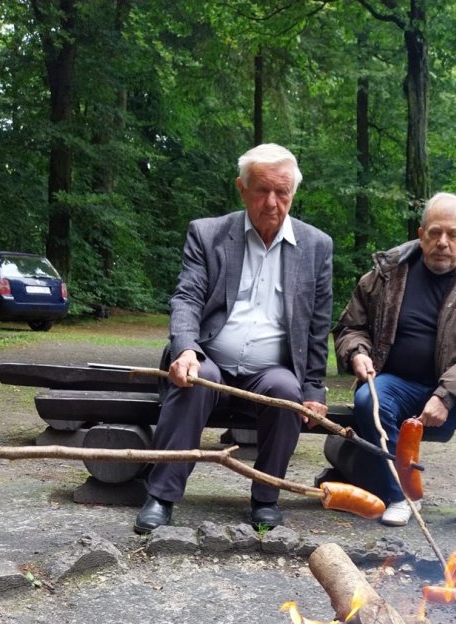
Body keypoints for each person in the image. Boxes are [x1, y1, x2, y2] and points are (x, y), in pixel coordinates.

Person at [134, 143, 333, 534]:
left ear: (293, 193)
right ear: (242, 189)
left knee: (287, 392)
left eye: (282, 192)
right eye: (262, 190)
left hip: (270, 370)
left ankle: (266, 497)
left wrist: (314, 387)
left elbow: (317, 323)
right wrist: (186, 350)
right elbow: (187, 297)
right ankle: (161, 495)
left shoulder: (316, 246)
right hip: (210, 358)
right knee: (195, 380)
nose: (272, 202)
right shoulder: (208, 234)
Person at [332, 192, 456, 533]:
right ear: (421, 233)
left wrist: (445, 396)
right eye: (435, 232)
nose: (442, 242)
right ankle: (399, 496)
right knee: (369, 400)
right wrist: (358, 353)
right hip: (396, 382)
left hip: (455, 391)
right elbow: (351, 326)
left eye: (452, 234)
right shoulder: (386, 273)